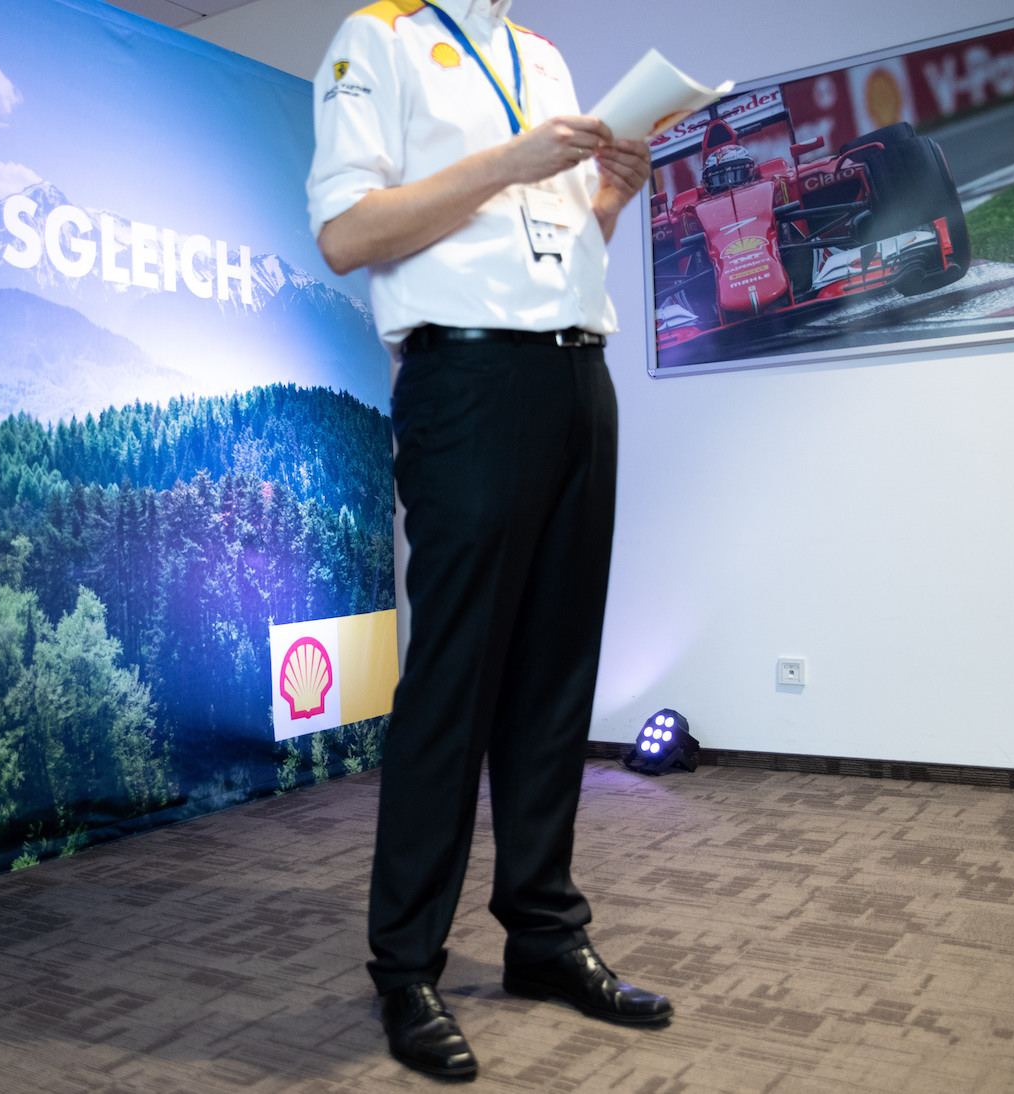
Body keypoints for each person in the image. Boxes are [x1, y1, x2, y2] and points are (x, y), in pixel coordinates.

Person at [306, 0, 673, 1080]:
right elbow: (346, 235)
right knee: (454, 679)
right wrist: (506, 160)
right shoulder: (372, 37)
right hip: (465, 379)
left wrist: (604, 194)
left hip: (574, 375)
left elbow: (557, 249)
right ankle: (405, 965)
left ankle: (544, 935)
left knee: (555, 673)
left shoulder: (544, 55)